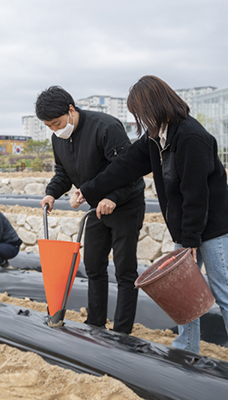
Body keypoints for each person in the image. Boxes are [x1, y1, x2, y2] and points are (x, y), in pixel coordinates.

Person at [78, 75, 228, 368]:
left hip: (212, 228)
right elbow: (124, 166)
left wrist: (190, 243)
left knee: (225, 291)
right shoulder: (155, 137)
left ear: (155, 105)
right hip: (187, 226)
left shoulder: (191, 136)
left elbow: (195, 194)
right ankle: (186, 348)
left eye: (140, 112)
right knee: (183, 292)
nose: (140, 119)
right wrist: (88, 191)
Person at [36, 86, 145, 335]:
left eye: (57, 123)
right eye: (49, 126)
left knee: (124, 269)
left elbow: (129, 171)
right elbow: (63, 173)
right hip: (95, 206)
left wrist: (113, 197)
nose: (55, 129)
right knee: (94, 266)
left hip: (125, 204)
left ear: (71, 110)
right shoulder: (59, 139)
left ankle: (122, 331)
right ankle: (96, 324)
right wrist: (52, 192)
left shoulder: (106, 127)